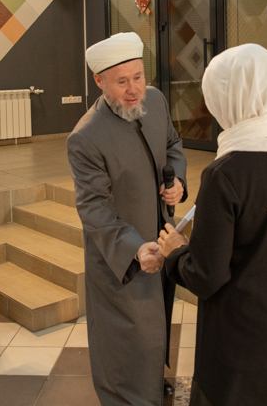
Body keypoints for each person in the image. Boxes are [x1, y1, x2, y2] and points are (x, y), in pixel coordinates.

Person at [157, 44, 267, 406]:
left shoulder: (225, 174)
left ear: (227, 98)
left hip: (245, 331)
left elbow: (207, 275)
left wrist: (175, 252)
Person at [67, 31, 187, 406]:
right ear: (99, 81)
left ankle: (150, 382)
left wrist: (178, 182)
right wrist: (134, 249)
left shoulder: (156, 100)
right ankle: (126, 395)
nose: (134, 90)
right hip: (121, 254)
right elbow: (95, 209)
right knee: (127, 334)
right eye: (122, 82)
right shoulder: (86, 137)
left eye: (138, 77)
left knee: (156, 324)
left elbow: (173, 144)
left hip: (161, 238)